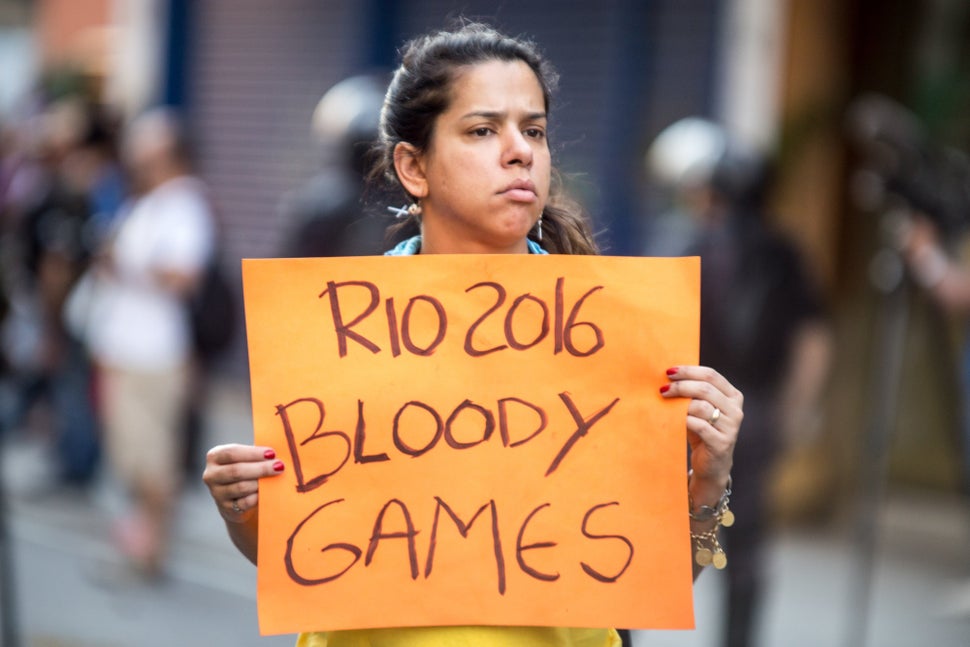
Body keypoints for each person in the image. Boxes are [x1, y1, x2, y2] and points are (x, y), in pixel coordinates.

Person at [203, 22, 743, 646]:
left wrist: (708, 478)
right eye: (483, 130)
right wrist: (241, 506)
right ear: (413, 166)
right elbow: (304, 559)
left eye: (534, 131)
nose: (520, 152)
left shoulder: (613, 336)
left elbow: (653, 579)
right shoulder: (339, 332)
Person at [646, 118, 830, 647]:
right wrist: (793, 412)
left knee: (718, 537)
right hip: (732, 407)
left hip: (710, 407)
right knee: (737, 541)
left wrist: (791, 410)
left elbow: (811, 336)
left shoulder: (699, 243)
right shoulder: (769, 246)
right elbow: (813, 338)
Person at [87, 107, 215, 577]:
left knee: (151, 458)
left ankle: (151, 550)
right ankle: (140, 543)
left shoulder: (184, 202)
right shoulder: (147, 200)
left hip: (155, 353)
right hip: (124, 348)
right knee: (130, 456)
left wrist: (126, 264)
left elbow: (184, 274)